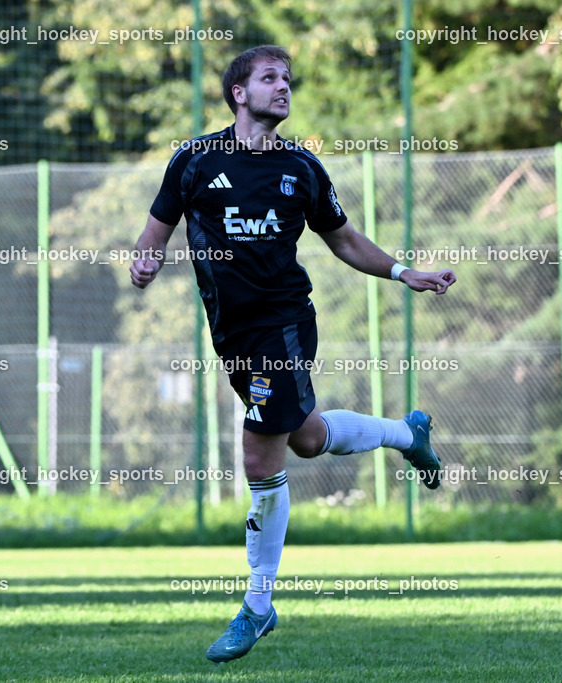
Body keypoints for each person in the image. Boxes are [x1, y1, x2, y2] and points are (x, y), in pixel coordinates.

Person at [130, 45, 456, 663]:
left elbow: (346, 240)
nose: (284, 87)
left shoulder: (302, 169)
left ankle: (256, 606)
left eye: (288, 79)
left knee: (258, 452)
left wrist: (404, 271)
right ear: (238, 92)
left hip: (283, 325)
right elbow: (156, 230)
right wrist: (145, 260)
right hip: (231, 333)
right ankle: (405, 435)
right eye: (269, 78)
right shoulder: (193, 160)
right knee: (304, 439)